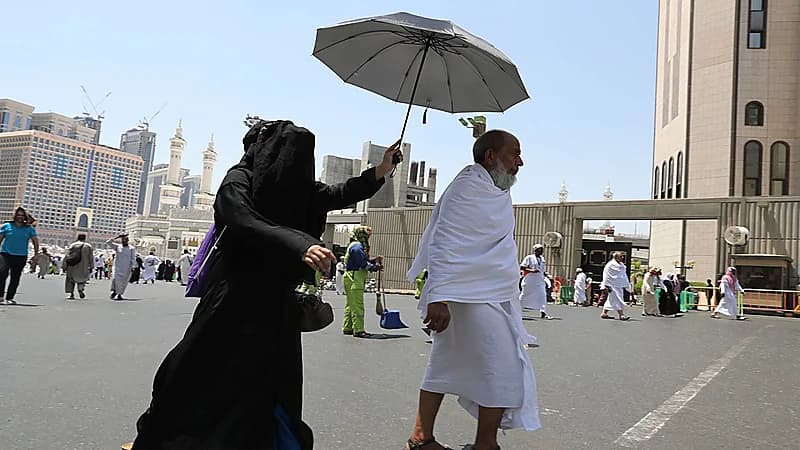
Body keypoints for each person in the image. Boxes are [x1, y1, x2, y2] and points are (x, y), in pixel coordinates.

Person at [131, 120, 400, 449]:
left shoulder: (298, 190)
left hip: (275, 306)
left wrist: (382, 169)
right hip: (231, 300)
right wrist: (300, 244)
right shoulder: (238, 180)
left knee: (270, 385)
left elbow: (340, 193)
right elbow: (243, 218)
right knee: (195, 373)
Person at [404, 130, 539, 450]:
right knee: (503, 366)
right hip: (460, 295)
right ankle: (480, 444)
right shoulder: (466, 188)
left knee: (447, 363)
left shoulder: (498, 191)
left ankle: (424, 439)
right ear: (490, 156)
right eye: (513, 154)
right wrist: (438, 296)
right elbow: (444, 241)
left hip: (491, 294)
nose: (520, 162)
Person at [342, 226, 383, 337]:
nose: (368, 238)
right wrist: (375, 267)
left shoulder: (353, 245)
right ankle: (359, 330)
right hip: (355, 278)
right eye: (367, 235)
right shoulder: (357, 247)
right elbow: (362, 263)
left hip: (351, 277)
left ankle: (348, 327)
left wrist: (374, 261)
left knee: (351, 304)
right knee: (358, 305)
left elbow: (363, 261)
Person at [0, 207, 40, 305]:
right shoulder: (7, 226)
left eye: (22, 215)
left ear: (25, 217)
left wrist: (36, 254)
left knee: (15, 277)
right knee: (2, 273)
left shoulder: (29, 228)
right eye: (18, 215)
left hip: (21, 256)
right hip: (5, 254)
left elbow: (35, 241)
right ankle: (0, 296)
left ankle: (10, 297)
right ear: (15, 216)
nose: (20, 217)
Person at [519, 244, 551, 319]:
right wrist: (531, 270)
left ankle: (543, 312)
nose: (541, 252)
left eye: (542, 250)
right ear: (535, 250)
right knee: (524, 295)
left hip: (539, 280)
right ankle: (517, 309)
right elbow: (522, 267)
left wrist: (545, 274)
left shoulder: (542, 259)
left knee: (542, 295)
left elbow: (542, 269)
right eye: (539, 250)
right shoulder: (529, 257)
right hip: (530, 280)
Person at [600, 252, 631, 320]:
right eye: (620, 256)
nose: (622, 258)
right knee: (618, 299)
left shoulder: (622, 265)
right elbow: (605, 275)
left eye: (622, 256)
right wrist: (604, 285)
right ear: (616, 257)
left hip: (619, 285)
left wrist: (627, 285)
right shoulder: (610, 265)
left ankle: (604, 313)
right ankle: (621, 315)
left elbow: (623, 276)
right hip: (612, 285)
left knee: (611, 300)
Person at [63, 234, 93, 299]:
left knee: (71, 279)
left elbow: (67, 256)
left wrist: (64, 266)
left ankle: (71, 294)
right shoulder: (88, 246)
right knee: (82, 278)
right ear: (85, 238)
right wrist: (91, 266)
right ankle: (80, 289)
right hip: (83, 266)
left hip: (72, 265)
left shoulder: (72, 245)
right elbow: (91, 258)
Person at [107, 234, 136, 300]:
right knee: (115, 279)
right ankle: (114, 291)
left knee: (123, 282)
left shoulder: (131, 248)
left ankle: (119, 294)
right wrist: (117, 237)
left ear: (127, 241)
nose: (123, 242)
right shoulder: (117, 247)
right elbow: (108, 242)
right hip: (117, 267)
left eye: (125, 240)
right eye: (122, 240)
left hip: (127, 268)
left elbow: (133, 258)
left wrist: (133, 267)